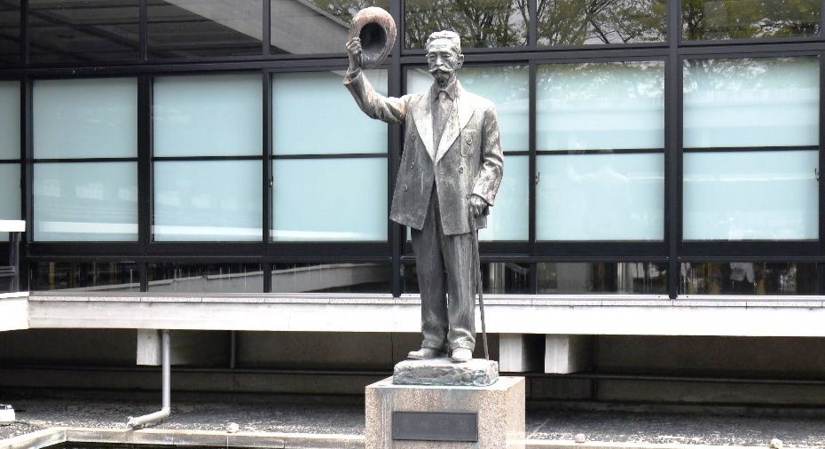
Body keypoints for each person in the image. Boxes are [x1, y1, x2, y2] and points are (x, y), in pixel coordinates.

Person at [343, 30, 503, 362]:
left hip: (461, 205)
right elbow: (377, 106)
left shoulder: (482, 108)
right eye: (432, 57)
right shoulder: (413, 104)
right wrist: (356, 70)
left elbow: (493, 161)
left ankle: (462, 340)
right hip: (421, 204)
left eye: (445, 56)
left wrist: (481, 193)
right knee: (428, 276)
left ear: (459, 60)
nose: (438, 63)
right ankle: (433, 337)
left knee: (461, 277)